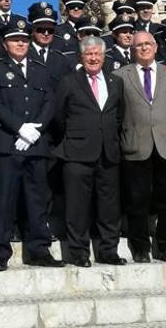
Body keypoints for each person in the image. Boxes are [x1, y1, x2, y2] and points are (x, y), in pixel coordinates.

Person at [0, 20, 65, 271]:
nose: (20, 43)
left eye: (24, 39)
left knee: (37, 200)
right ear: (5, 44)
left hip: (36, 144)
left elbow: (49, 102)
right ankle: (0, 253)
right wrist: (20, 128)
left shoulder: (41, 70)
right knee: (4, 200)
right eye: (15, 39)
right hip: (7, 144)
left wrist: (35, 129)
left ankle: (39, 249)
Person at [53, 36, 125, 267]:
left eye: (97, 54)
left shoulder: (115, 81)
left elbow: (119, 115)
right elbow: (59, 117)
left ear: (104, 57)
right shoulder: (69, 81)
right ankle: (79, 252)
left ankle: (108, 250)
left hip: (108, 152)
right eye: (88, 54)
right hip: (77, 153)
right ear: (81, 57)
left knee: (109, 207)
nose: (93, 58)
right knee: (77, 207)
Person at [115, 31, 166, 262]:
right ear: (132, 50)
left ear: (155, 47)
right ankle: (140, 248)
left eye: (147, 44)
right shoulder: (119, 76)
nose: (143, 48)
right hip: (136, 145)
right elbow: (119, 111)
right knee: (137, 200)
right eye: (138, 45)